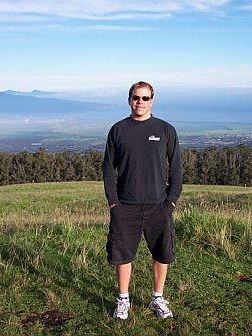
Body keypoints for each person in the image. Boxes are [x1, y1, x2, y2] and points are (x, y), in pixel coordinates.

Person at [103, 81, 182, 320]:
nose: (140, 102)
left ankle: (157, 298)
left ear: (152, 101)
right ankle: (123, 300)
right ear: (129, 100)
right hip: (125, 205)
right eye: (136, 98)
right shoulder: (118, 130)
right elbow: (108, 168)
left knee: (162, 254)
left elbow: (176, 169)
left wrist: (171, 202)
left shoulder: (166, 130)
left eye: (145, 98)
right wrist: (113, 203)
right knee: (123, 255)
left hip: (159, 205)